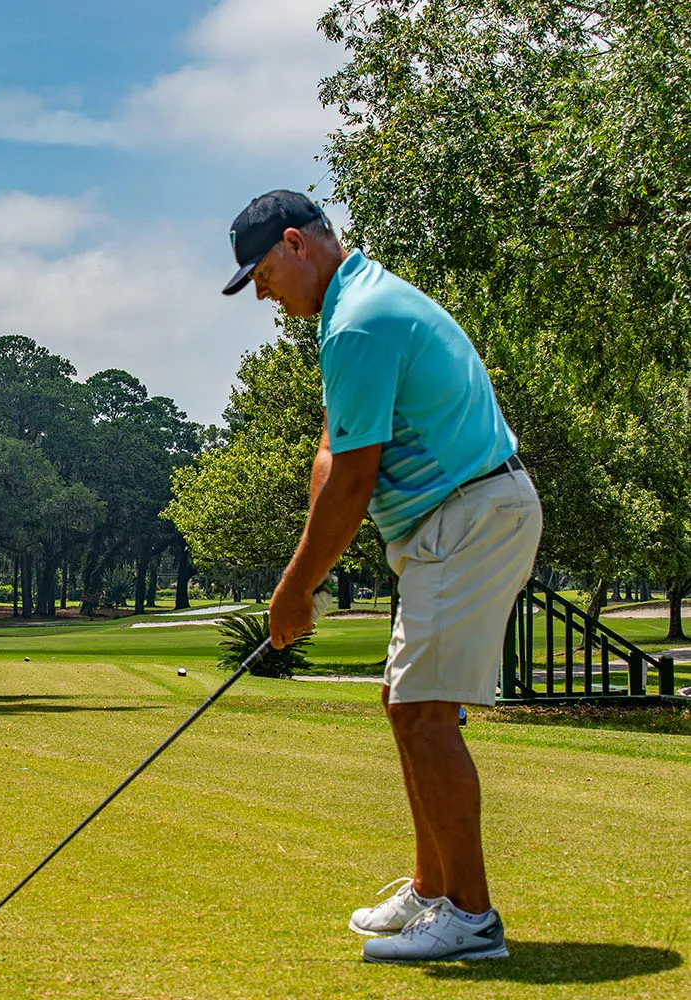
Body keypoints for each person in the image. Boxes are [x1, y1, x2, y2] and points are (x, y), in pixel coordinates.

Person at [222, 190, 541, 963]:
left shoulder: (358, 322)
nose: (262, 293)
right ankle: (434, 891)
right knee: (406, 706)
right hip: (456, 518)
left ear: (297, 244)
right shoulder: (350, 310)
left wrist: (296, 588)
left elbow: (356, 480)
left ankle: (470, 919)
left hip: (466, 515)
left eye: (262, 274)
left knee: (426, 715)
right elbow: (335, 450)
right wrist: (304, 563)